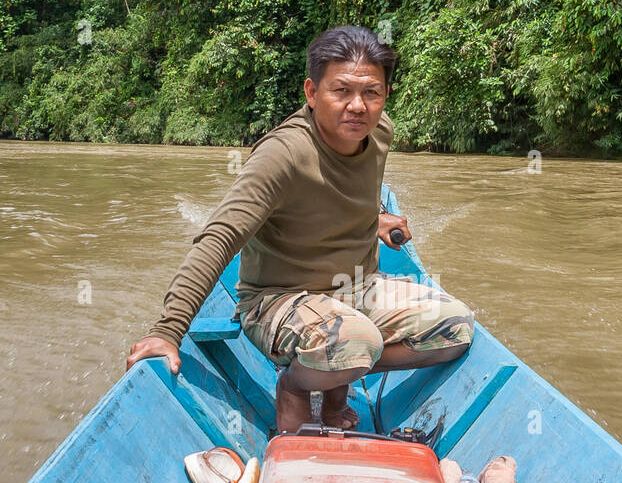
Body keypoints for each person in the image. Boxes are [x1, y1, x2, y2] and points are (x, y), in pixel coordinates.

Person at [125, 25, 475, 433]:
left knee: (456, 327)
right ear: (312, 93)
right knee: (354, 342)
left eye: (371, 93)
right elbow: (217, 240)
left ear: (385, 96)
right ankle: (295, 386)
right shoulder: (282, 155)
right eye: (341, 91)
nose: (357, 106)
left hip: (359, 286)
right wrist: (167, 331)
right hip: (278, 298)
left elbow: (359, 180)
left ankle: (334, 374)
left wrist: (376, 213)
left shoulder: (379, 133)